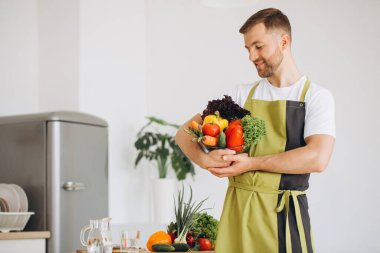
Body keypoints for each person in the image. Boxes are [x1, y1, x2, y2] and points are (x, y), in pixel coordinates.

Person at [175, 8, 335, 253]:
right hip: (237, 212)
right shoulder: (241, 95)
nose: (252, 56)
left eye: (258, 46)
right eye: (248, 49)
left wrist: (250, 164)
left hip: (283, 216)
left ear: (284, 42)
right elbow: (184, 133)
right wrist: (207, 160)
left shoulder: (315, 97)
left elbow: (317, 158)